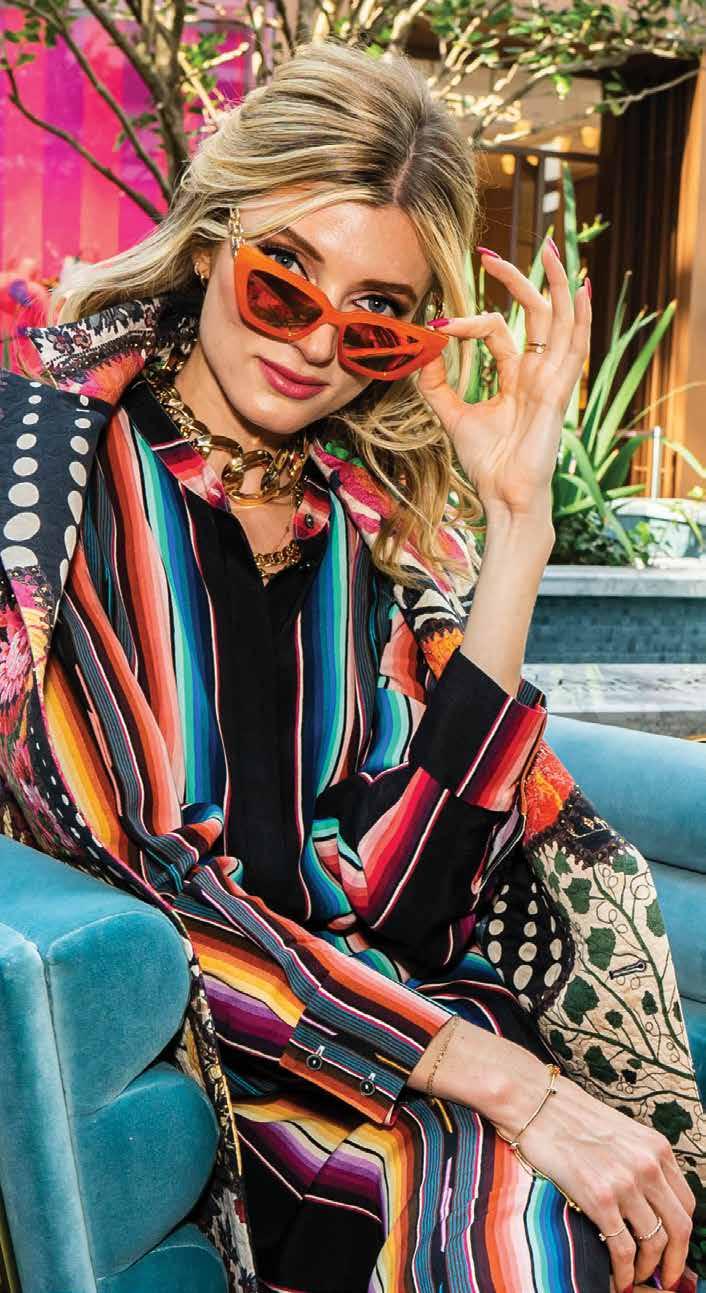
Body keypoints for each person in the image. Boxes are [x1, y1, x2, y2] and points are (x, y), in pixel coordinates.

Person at [0, 36, 702, 1293]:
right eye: (284, 286)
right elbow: (149, 873)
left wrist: (519, 525)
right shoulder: (59, 486)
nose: (318, 345)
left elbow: (406, 897)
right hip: (244, 1062)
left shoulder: (355, 536)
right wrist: (506, 1083)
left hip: (412, 1028)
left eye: (371, 323)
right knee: (538, 1239)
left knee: (610, 1221)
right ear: (212, 242)